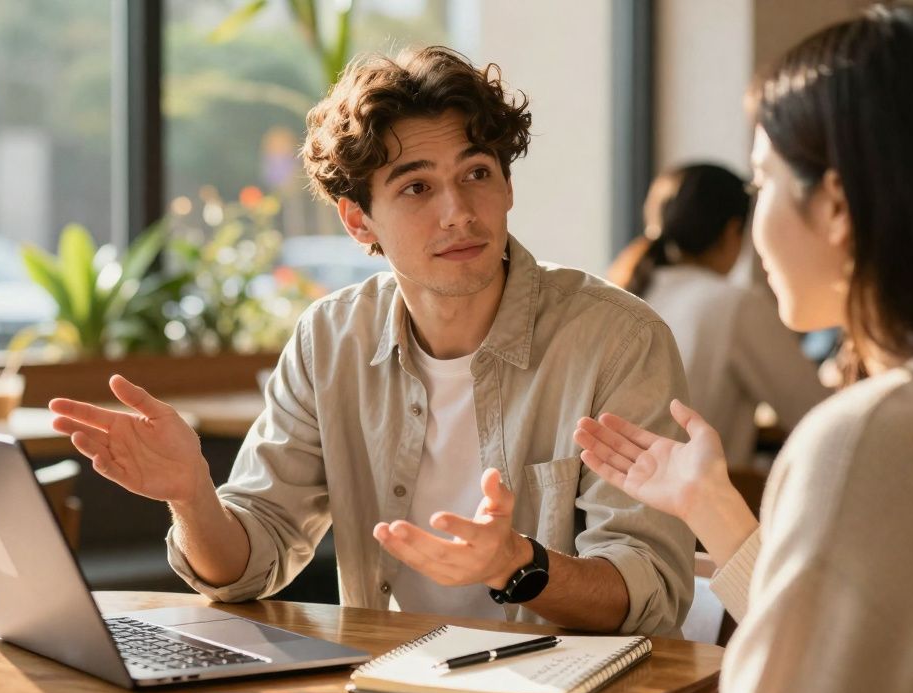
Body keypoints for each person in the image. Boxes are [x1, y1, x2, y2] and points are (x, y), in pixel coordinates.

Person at [50, 46, 695, 635]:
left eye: (476, 173)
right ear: (360, 221)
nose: (458, 212)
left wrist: (518, 565)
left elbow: (654, 589)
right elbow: (253, 562)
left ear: (506, 184)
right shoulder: (329, 338)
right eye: (417, 187)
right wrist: (192, 495)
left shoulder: (617, 339)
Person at [577, 6, 913, 693]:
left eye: (762, 184)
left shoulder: (878, 436)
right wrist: (711, 505)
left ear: (836, 203)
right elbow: (859, 649)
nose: (754, 225)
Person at [615, 163, 828, 466]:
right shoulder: (733, 305)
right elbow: (816, 412)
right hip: (690, 506)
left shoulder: (627, 292)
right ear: (733, 231)